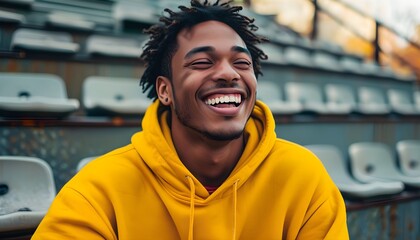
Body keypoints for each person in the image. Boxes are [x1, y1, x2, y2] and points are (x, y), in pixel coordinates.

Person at [32, 0, 349, 239]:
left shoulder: (304, 178)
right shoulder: (99, 189)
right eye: (202, 62)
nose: (228, 73)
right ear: (165, 91)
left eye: (241, 62)